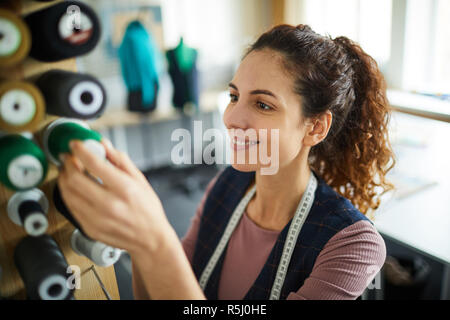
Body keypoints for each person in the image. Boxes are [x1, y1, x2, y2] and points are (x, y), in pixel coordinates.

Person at [58, 24, 395, 300]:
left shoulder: (352, 245)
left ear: (316, 127)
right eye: (234, 96)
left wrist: (156, 239)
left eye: (263, 105)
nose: (233, 118)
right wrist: (142, 246)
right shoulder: (227, 184)